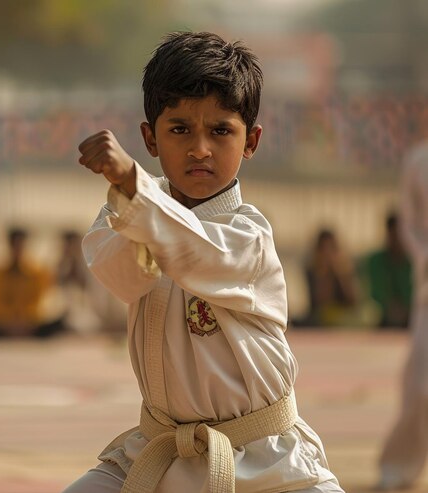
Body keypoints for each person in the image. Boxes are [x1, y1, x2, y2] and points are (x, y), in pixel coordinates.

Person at [64, 32, 342, 493]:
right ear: (149, 138)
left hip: (267, 460)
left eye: (220, 131)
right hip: (157, 453)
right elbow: (121, 276)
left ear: (250, 140)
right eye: (179, 130)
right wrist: (132, 193)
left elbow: (197, 253)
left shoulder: (249, 235)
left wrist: (135, 185)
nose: (199, 149)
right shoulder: (128, 209)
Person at [376, 141, 428, 490]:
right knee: (421, 383)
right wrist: (423, 257)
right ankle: (398, 466)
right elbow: (409, 222)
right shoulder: (419, 160)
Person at [0, 228, 64, 338]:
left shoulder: (37, 272)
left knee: (57, 321)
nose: (17, 250)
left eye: (20, 245)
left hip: (31, 321)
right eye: (15, 245)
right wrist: (7, 320)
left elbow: (42, 301)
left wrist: (26, 319)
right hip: (3, 322)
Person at [362, 213, 412, 328]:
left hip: (410, 316)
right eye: (395, 235)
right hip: (382, 319)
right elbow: (374, 293)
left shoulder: (414, 262)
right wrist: (390, 308)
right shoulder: (375, 261)